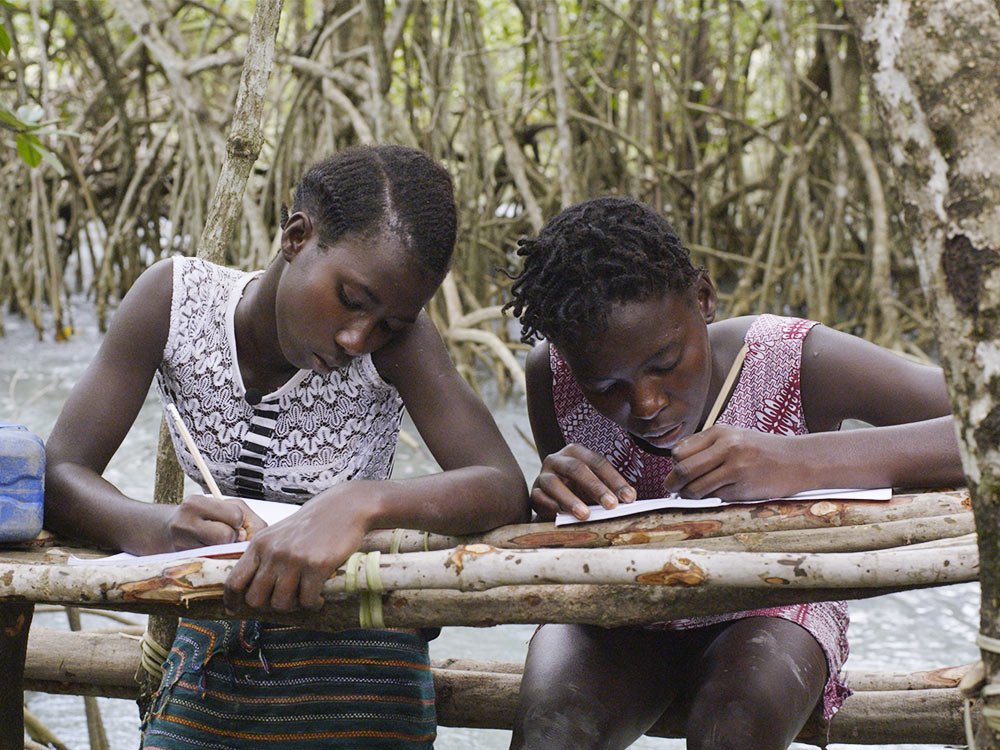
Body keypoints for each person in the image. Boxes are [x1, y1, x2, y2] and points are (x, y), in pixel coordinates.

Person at [44, 144, 530, 749]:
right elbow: (62, 473)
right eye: (351, 300)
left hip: (362, 661)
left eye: (388, 323)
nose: (359, 337)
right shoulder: (174, 303)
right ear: (297, 236)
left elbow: (502, 486)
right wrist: (159, 526)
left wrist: (357, 503)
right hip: (215, 652)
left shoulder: (397, 345)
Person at [502, 196, 965, 749]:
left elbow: (984, 427)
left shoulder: (790, 359)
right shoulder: (552, 377)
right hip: (618, 608)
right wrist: (555, 497)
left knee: (734, 726)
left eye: (665, 364)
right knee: (550, 733)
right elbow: (570, 546)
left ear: (704, 298)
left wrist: (799, 462)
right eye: (608, 388)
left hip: (776, 602)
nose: (646, 403)